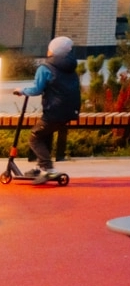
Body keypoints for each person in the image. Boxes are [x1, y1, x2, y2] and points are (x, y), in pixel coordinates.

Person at [14, 36, 79, 181]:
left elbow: (36, 89)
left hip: (54, 111)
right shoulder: (70, 67)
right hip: (70, 111)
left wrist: (21, 90)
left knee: (35, 137)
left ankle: (47, 168)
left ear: (51, 51)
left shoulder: (45, 68)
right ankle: (41, 167)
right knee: (45, 134)